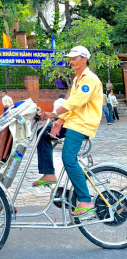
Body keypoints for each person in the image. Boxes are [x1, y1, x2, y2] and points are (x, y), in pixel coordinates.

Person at [33, 46, 102, 218]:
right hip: (72, 122)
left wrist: (55, 114)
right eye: (69, 58)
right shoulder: (78, 79)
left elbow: (76, 103)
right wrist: (58, 121)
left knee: (68, 159)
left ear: (84, 58)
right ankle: (49, 173)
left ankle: (86, 200)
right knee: (43, 133)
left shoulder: (90, 79)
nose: (70, 61)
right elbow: (72, 104)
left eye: (73, 58)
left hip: (81, 125)